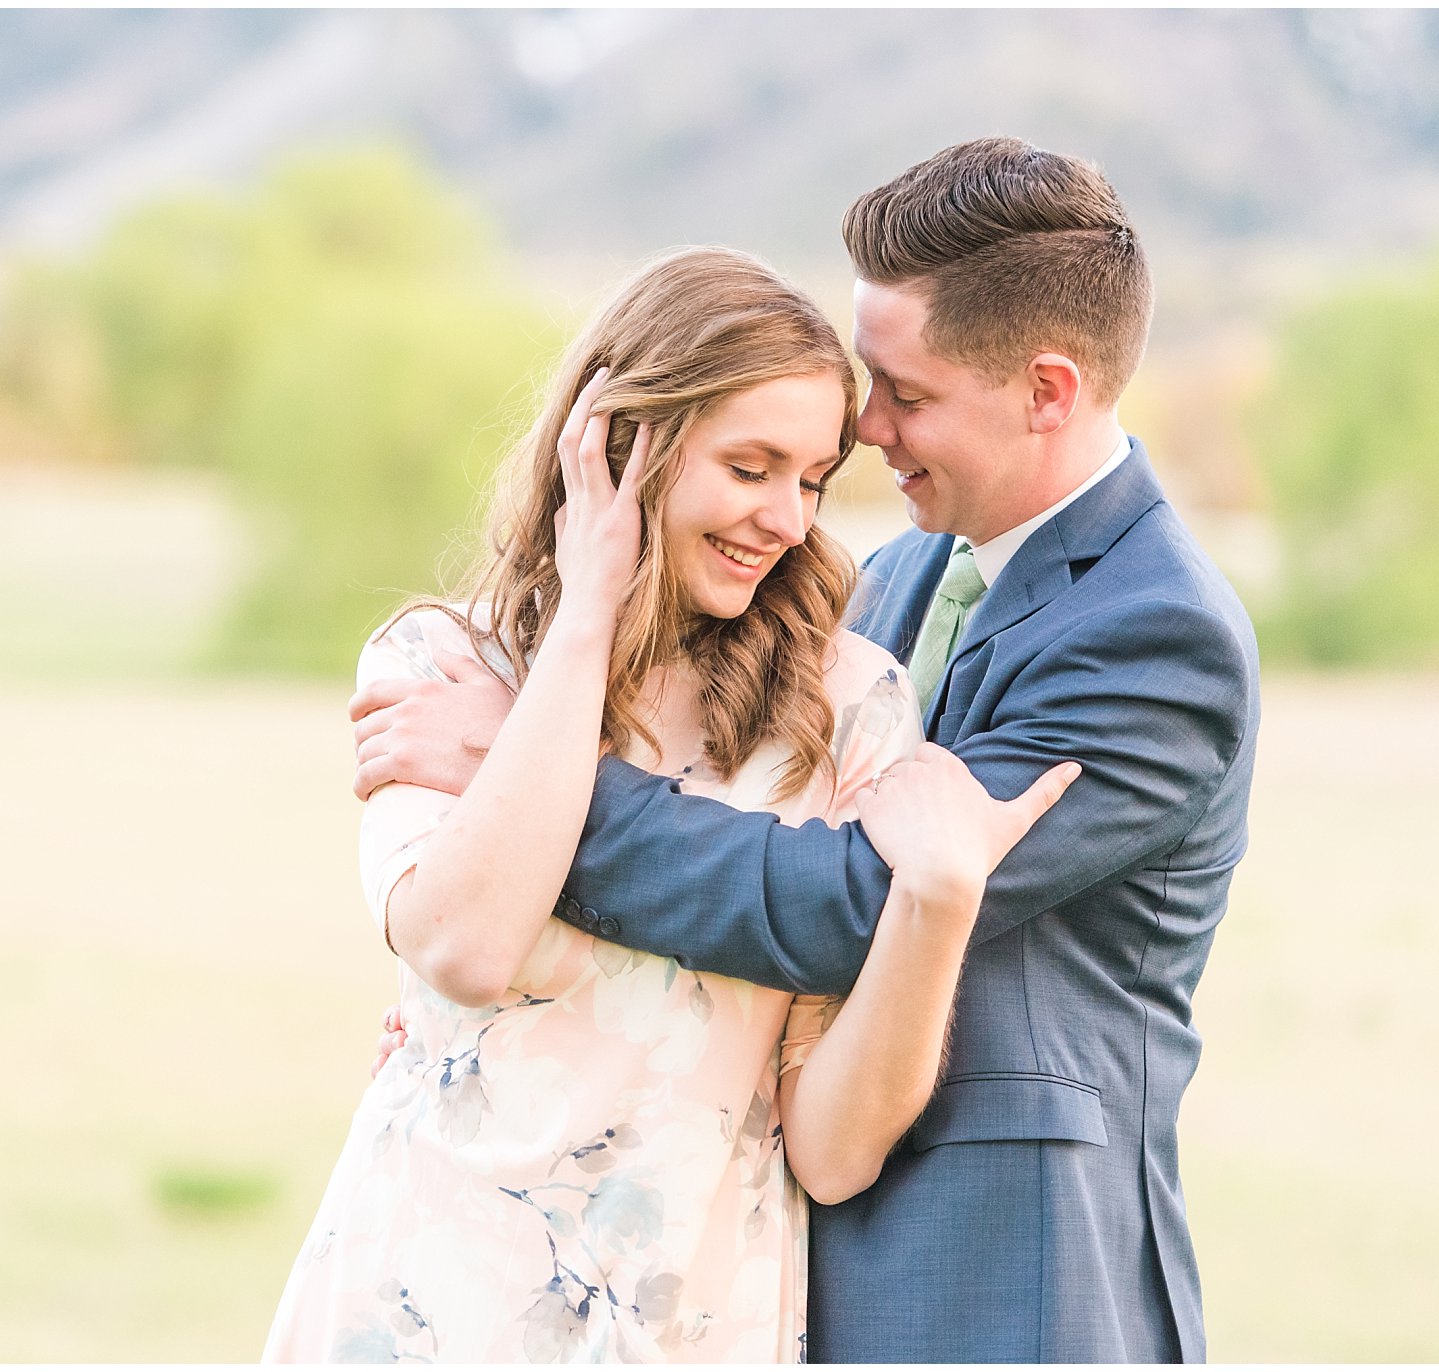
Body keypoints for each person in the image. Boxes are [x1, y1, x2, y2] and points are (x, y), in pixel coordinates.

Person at [350, 139, 1260, 1363]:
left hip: (999, 1266)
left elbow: (850, 900)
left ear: (1046, 389)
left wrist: (521, 787)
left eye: (904, 391)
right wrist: (501, 1008)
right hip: (740, 1240)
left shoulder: (1155, 634)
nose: (866, 423)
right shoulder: (888, 580)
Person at [265, 246, 1076, 1363]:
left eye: (810, 477)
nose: (786, 519)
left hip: (688, 1328)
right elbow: (462, 944)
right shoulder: (444, 667)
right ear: (616, 447)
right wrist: (589, 607)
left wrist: (937, 895)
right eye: (748, 467)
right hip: (418, 1306)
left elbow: (833, 1151)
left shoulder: (847, 711)